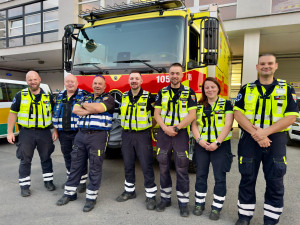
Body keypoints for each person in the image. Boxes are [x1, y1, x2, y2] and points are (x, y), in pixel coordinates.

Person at [234, 54, 299, 225]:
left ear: (276, 66)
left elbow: (292, 116)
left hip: (275, 140)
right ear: (257, 67)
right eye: (262, 64)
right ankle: (244, 217)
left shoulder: (287, 88)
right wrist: (257, 134)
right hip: (249, 138)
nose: (266, 66)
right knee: (247, 178)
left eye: (270, 63)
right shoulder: (246, 88)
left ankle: (271, 219)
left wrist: (265, 133)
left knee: (275, 180)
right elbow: (238, 114)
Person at [56, 75, 115, 212]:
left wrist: (87, 108)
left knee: (95, 166)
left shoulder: (109, 98)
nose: (97, 86)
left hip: (98, 136)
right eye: (95, 83)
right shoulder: (86, 97)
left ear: (104, 86)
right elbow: (75, 110)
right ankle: (69, 194)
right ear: (92, 85)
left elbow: (100, 109)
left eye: (100, 84)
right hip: (81, 134)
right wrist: (91, 108)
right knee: (75, 163)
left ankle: (90, 198)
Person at [154, 63, 197, 217]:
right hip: (164, 134)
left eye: (177, 73)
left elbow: (192, 115)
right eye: (172, 73)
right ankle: (165, 199)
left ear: (182, 75)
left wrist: (177, 128)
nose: (174, 76)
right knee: (163, 166)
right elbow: (157, 114)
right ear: (169, 75)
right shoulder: (162, 92)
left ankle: (183, 203)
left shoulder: (189, 92)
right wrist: (165, 129)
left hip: (181, 134)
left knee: (182, 168)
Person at [7, 70, 56, 197]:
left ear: (39, 79)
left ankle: (48, 182)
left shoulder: (48, 96)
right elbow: (12, 114)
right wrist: (9, 132)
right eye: (30, 80)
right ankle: (24, 186)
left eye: (35, 79)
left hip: (44, 132)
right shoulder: (19, 95)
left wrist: (55, 130)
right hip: (26, 133)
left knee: (46, 158)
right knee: (25, 160)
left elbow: (54, 115)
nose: (33, 82)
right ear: (26, 81)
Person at [191, 77, 234, 220]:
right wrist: (200, 140)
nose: (210, 90)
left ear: (218, 88)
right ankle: (199, 204)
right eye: (207, 87)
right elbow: (194, 125)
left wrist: (217, 142)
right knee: (201, 176)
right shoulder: (199, 105)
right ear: (204, 90)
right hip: (202, 146)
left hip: (220, 147)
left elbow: (228, 125)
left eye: (212, 87)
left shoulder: (226, 104)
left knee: (220, 178)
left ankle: (216, 208)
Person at [116, 71, 157, 210]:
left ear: (141, 81)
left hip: (142, 135)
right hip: (126, 135)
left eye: (136, 79)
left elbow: (156, 115)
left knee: (146, 165)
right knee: (128, 164)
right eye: (132, 78)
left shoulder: (149, 97)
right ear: (129, 81)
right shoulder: (124, 97)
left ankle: (151, 195)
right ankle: (129, 191)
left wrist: (146, 127)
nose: (134, 80)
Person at [52, 74, 89, 193]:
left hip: (79, 132)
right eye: (68, 81)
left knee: (80, 157)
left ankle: (82, 182)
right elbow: (56, 114)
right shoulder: (60, 95)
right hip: (63, 133)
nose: (70, 84)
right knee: (67, 157)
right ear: (65, 83)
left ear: (77, 83)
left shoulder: (84, 95)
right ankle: (71, 180)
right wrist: (56, 130)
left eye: (72, 81)